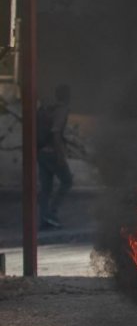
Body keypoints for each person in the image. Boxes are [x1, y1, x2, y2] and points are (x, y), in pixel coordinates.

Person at [37, 84, 73, 229]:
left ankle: (44, 218)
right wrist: (60, 155)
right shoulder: (61, 110)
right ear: (67, 96)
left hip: (41, 152)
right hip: (52, 152)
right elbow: (56, 133)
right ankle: (51, 213)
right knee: (67, 181)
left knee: (46, 187)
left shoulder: (47, 109)